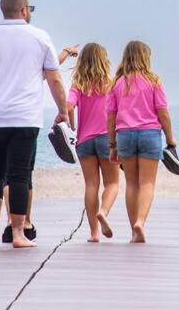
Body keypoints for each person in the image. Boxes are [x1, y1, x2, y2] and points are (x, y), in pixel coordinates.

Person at [0, 0, 72, 248]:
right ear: (24, 10)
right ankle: (17, 233)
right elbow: (55, 78)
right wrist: (63, 110)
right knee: (19, 175)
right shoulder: (39, 37)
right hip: (25, 117)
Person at [106, 40, 177, 244]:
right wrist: (171, 139)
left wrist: (112, 145)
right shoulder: (153, 81)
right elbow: (163, 113)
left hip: (125, 135)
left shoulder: (118, 83)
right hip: (149, 134)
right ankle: (141, 222)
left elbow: (110, 116)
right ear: (145, 57)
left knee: (131, 184)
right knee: (147, 183)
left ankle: (133, 232)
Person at [66, 43, 120, 242]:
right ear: (103, 60)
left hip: (85, 141)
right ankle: (103, 212)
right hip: (107, 138)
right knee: (112, 183)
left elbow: (68, 107)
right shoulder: (111, 84)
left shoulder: (78, 85)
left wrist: (72, 126)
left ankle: (93, 233)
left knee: (91, 185)